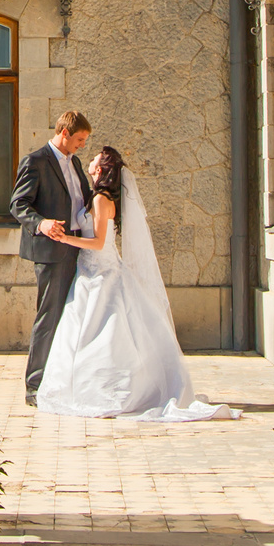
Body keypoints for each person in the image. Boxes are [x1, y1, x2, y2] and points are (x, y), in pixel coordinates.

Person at [33, 145, 240, 422]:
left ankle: (105, 390)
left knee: (102, 335)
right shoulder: (95, 196)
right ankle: (80, 387)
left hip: (101, 273)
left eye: (95, 158)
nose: (90, 159)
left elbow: (97, 243)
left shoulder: (101, 201)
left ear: (100, 168)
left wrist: (64, 239)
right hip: (88, 273)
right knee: (82, 332)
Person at [11, 109, 94, 407]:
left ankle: (64, 380)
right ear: (64, 133)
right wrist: (42, 223)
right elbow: (18, 204)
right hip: (52, 251)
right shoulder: (36, 162)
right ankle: (34, 386)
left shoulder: (76, 163)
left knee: (73, 316)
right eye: (80, 139)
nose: (82, 145)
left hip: (78, 248)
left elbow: (82, 200)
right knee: (50, 315)